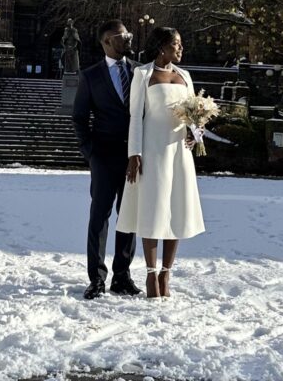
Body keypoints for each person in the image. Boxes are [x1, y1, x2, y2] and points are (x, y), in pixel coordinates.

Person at [116, 26, 205, 298]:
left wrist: (196, 134)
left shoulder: (185, 76)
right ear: (162, 47)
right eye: (176, 44)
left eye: (181, 44)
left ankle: (167, 272)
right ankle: (151, 275)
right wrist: (134, 154)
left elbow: (194, 114)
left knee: (175, 207)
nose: (181, 49)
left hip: (179, 150)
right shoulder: (142, 75)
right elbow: (135, 117)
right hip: (152, 150)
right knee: (153, 210)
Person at [71, 19, 140, 300]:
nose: (128, 41)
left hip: (134, 156)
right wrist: (91, 152)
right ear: (107, 41)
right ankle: (97, 279)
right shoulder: (90, 76)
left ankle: (122, 276)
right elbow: (79, 117)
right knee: (99, 217)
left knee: (130, 216)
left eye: (129, 35)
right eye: (123, 37)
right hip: (103, 155)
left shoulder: (140, 72)